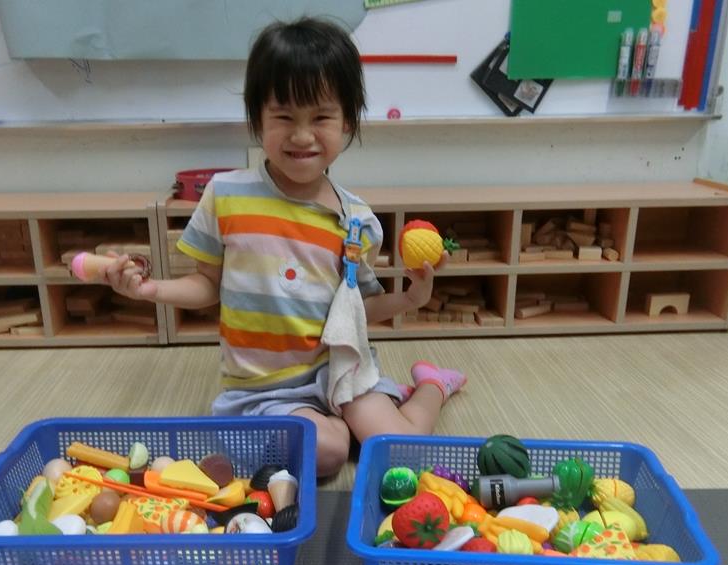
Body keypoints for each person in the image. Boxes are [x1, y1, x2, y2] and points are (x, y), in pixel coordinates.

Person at [101, 16, 466, 477]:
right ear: (258, 118)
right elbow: (206, 285)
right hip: (264, 389)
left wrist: (412, 298)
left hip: (340, 373)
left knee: (400, 453)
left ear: (348, 120)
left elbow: (354, 312)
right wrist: (150, 290)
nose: (302, 135)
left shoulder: (356, 220)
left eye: (321, 117)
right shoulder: (225, 195)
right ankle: (340, 425)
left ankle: (431, 385)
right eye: (284, 116)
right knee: (327, 452)